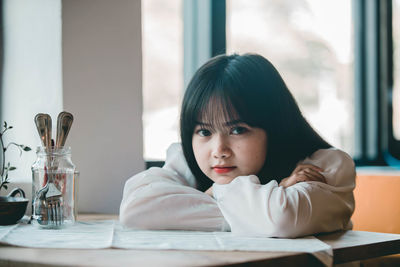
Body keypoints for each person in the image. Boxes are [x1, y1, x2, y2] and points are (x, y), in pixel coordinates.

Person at [119, 53, 355, 238]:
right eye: (204, 131)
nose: (219, 150)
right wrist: (264, 199)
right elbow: (136, 208)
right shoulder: (187, 159)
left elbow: (282, 218)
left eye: (238, 130)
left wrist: (210, 194)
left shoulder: (326, 166)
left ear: (275, 127)